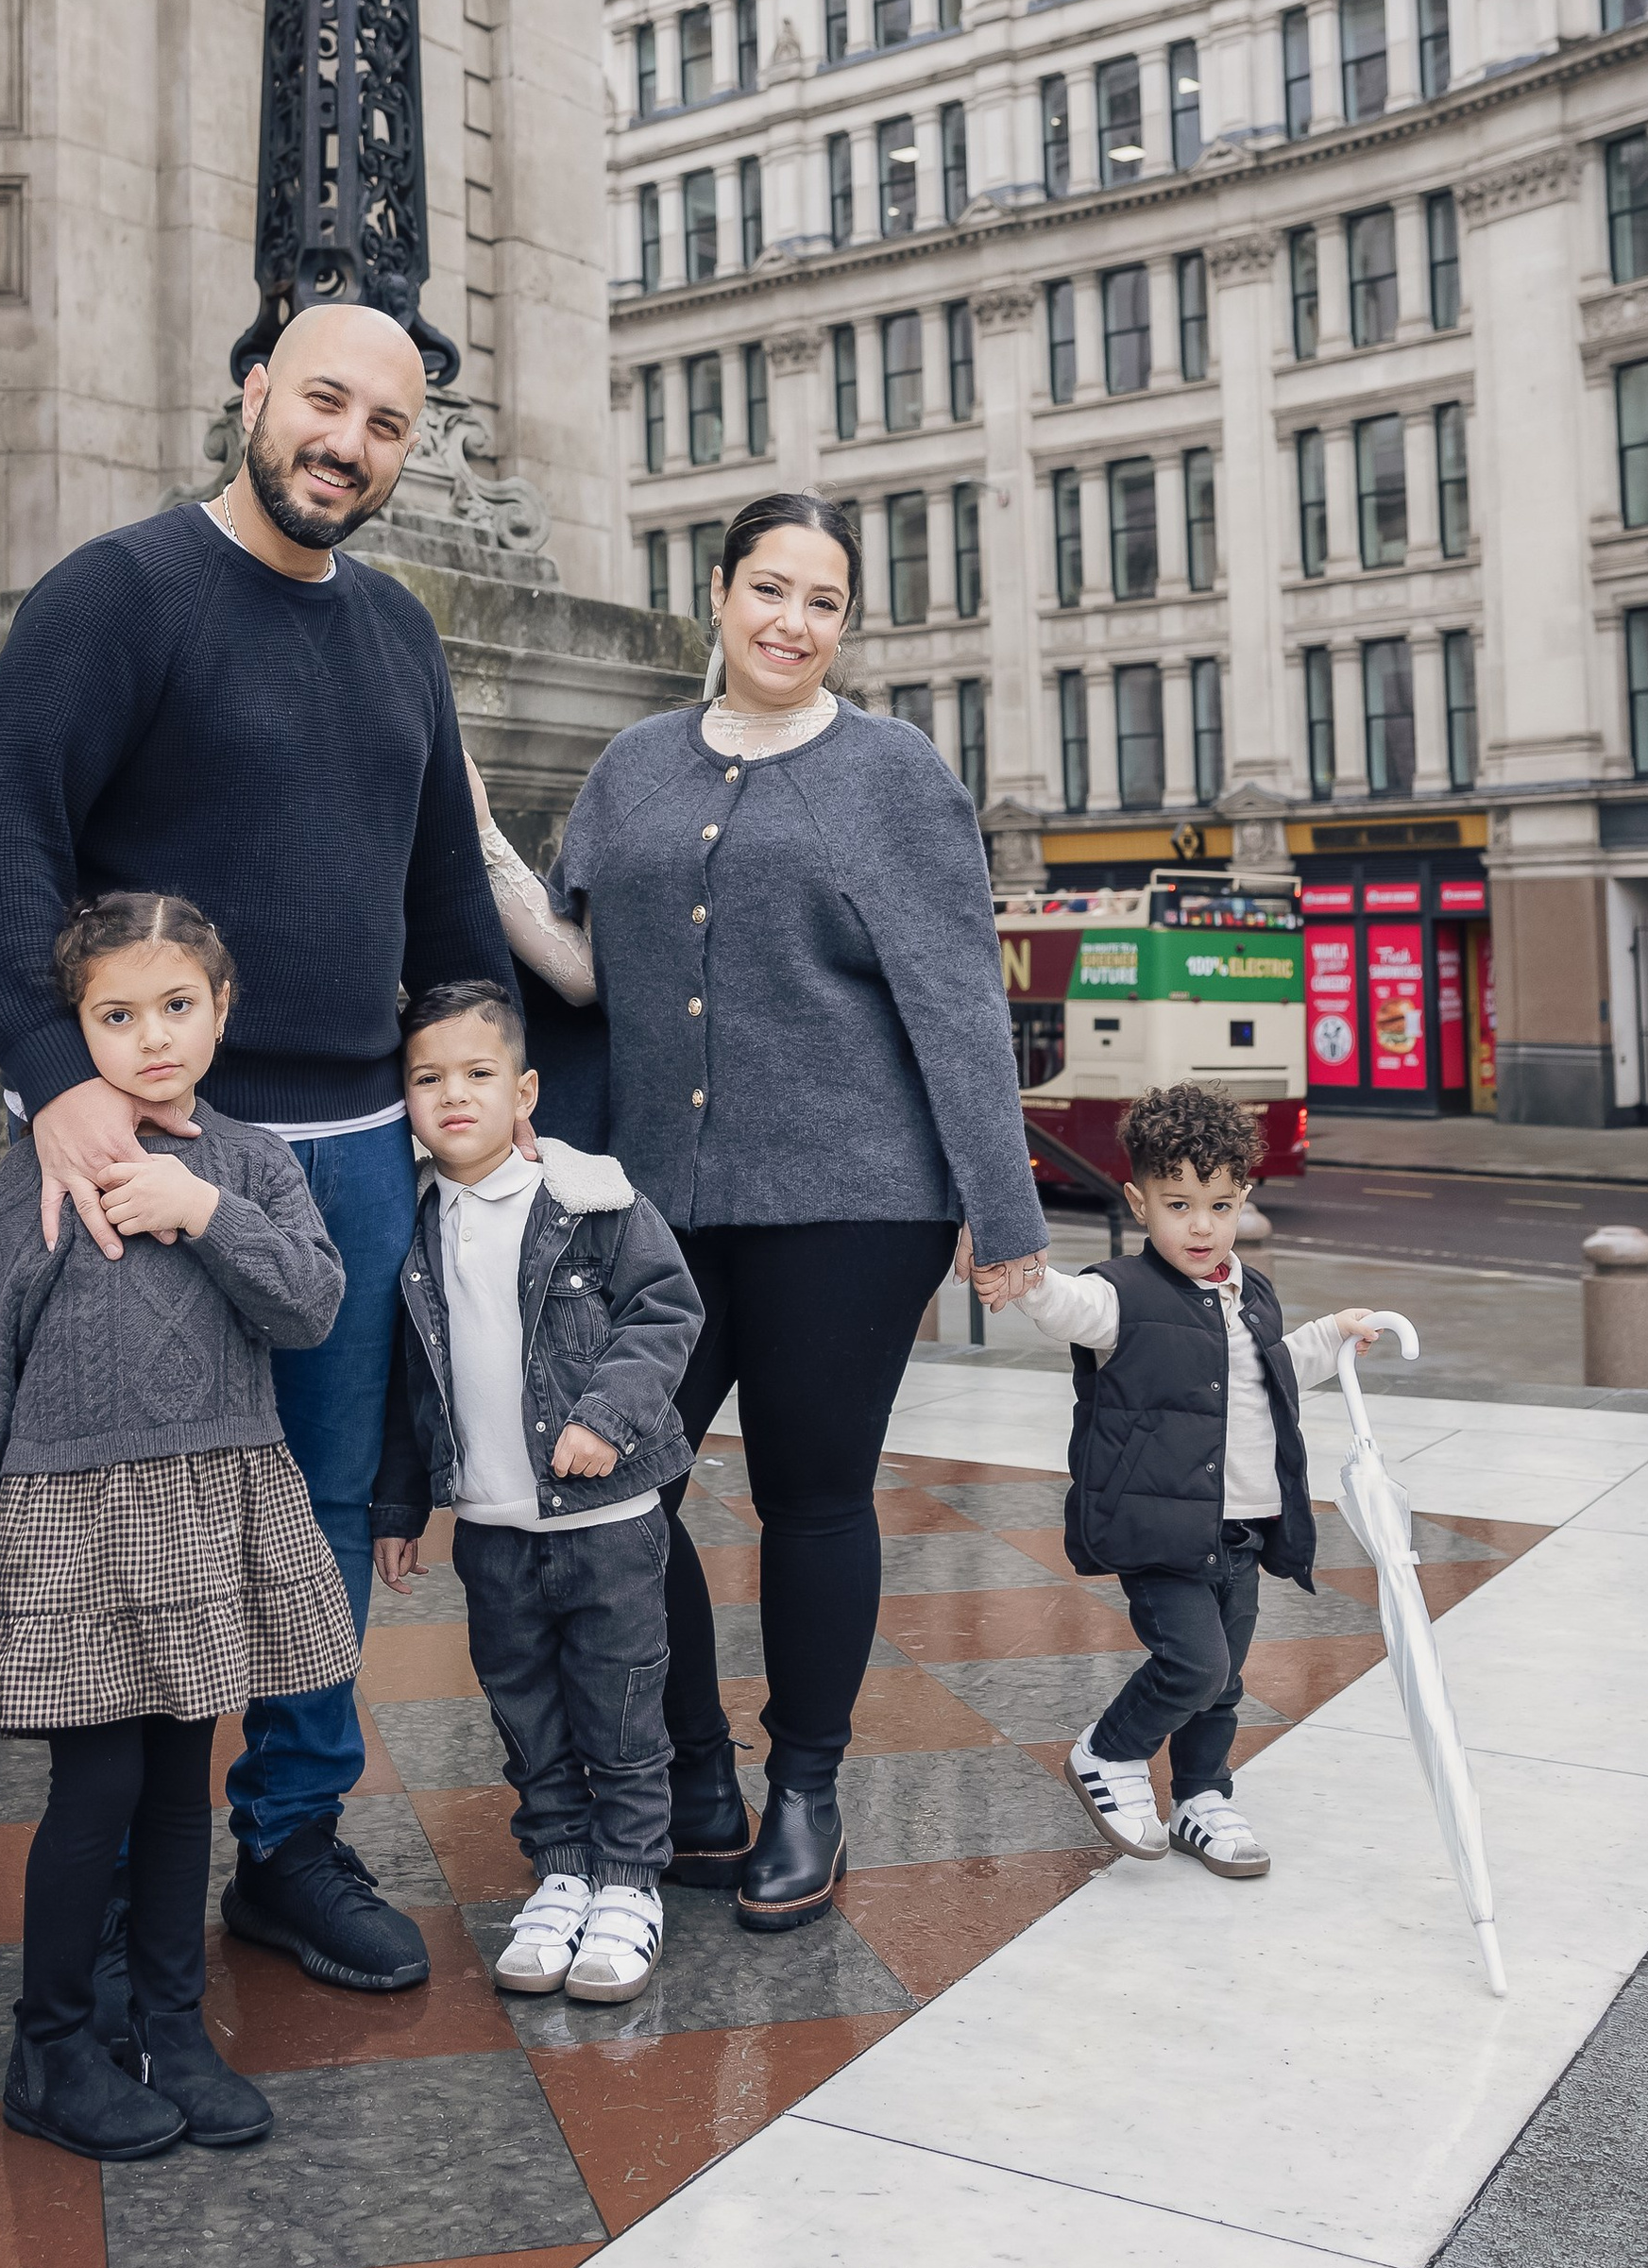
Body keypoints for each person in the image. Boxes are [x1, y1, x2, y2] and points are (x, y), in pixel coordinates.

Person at [0, 303, 513, 1996]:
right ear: (250, 387)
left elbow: (448, 903)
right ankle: (120, 1875)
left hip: (349, 1153)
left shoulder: (402, 633)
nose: (348, 441)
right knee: (141, 1509)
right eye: (323, 399)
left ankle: (291, 1841)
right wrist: (61, 1082)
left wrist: (477, 1092)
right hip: (154, 1145)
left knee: (318, 1512)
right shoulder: (117, 597)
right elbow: (2, 849)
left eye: (387, 424)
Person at [468, 489, 1047, 1934]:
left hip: (857, 1198)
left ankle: (806, 1787)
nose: (793, 621)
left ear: (846, 624)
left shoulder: (896, 773)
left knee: (810, 1494)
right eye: (769, 588)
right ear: (718, 594)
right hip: (661, 1203)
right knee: (621, 1485)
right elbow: (587, 969)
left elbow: (957, 996)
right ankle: (695, 1776)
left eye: (826, 601)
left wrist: (1003, 1203)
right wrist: (475, 839)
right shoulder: (634, 767)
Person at [0, 892, 352, 2158]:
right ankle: (49, 2047)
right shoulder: (42, 1170)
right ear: (78, 1027)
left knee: (178, 1781)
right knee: (96, 1783)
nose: (153, 1035)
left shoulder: (254, 1163)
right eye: (117, 1013)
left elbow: (315, 1304)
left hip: (212, 1504)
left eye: (178, 1005)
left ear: (224, 1010)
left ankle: (169, 2025)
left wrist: (198, 1206)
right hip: (77, 1513)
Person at [371, 977, 702, 2002]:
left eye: (477, 1075)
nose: (452, 1096)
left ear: (525, 1091)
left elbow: (664, 1312)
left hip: (605, 1522)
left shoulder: (591, 1199)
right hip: (491, 1528)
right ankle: (560, 1867)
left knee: (623, 1701)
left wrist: (606, 1417)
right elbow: (405, 1384)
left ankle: (631, 1879)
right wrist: (398, 1512)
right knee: (524, 1706)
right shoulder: (417, 1224)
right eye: (428, 1079)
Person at [975, 1080, 1377, 1879]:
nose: (1202, 1225)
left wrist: (1334, 1336)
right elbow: (1068, 1305)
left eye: (1220, 1205)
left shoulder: (1248, 1293)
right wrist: (1025, 1280)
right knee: (1194, 1665)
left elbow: (1275, 1371)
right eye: (1178, 1203)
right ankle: (1109, 1751)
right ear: (1138, 1200)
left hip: (1239, 1530)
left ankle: (1201, 1797)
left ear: (1243, 1200)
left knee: (1223, 1683)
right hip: (1160, 1531)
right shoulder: (1122, 1296)